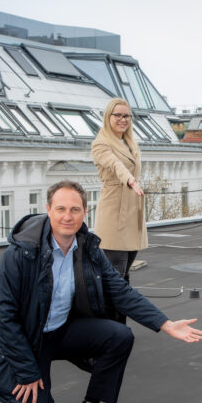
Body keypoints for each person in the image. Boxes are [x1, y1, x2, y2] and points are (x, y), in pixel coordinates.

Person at [0, 181, 202, 403]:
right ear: (48, 209)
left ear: (84, 212)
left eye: (75, 209)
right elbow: (4, 317)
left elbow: (120, 291)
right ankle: (28, 398)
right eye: (60, 209)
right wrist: (26, 372)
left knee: (120, 336)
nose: (67, 217)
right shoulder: (20, 253)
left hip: (61, 331)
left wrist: (165, 324)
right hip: (28, 342)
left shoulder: (87, 249)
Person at [91, 97, 145, 300]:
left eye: (127, 116)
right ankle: (110, 316)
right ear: (108, 117)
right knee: (116, 274)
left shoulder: (130, 143)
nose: (123, 120)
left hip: (133, 211)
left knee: (125, 273)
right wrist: (130, 180)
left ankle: (121, 315)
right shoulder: (101, 143)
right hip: (114, 211)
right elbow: (115, 164)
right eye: (118, 115)